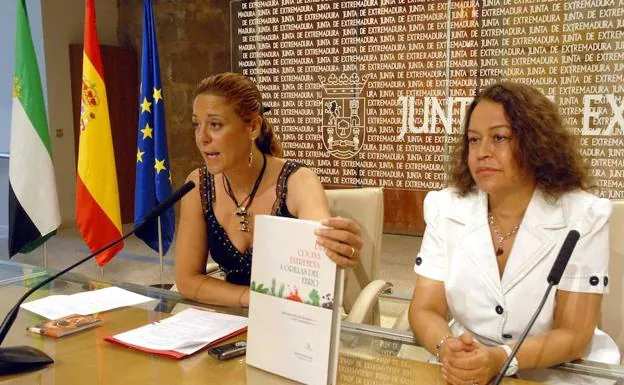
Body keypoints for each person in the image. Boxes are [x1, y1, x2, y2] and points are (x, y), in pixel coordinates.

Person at [408, 81, 617, 385]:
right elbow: (424, 308)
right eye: (474, 140)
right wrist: (446, 348)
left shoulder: (583, 216)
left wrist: (500, 359)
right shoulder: (446, 208)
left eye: (499, 138)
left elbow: (574, 333)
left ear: (536, 144)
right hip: (462, 371)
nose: (482, 153)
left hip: (554, 371)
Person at [175, 72, 363, 308]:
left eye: (215, 125)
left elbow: (321, 263)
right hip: (231, 320)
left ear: (253, 126)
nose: (202, 137)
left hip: (292, 317)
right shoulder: (198, 185)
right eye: (196, 125)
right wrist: (253, 299)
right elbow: (187, 281)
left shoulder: (297, 181)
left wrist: (339, 248)